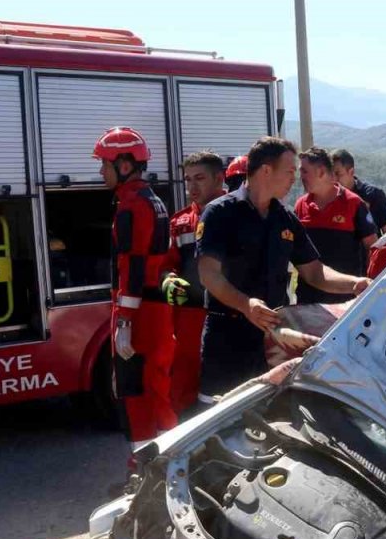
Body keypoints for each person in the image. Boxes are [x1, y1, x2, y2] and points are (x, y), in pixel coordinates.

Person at [196, 136, 371, 398]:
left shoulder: (285, 218)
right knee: (219, 417)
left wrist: (355, 283)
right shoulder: (220, 213)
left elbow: (314, 272)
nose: (294, 179)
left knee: (267, 419)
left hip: (272, 339)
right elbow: (209, 274)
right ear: (266, 170)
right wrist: (246, 305)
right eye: (290, 171)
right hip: (227, 336)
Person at [93, 127, 176, 469]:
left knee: (133, 389)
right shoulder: (153, 200)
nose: (101, 172)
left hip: (138, 311)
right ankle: (169, 456)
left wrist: (124, 320)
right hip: (153, 308)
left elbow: (132, 264)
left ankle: (145, 464)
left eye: (105, 164)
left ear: (124, 165)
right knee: (155, 384)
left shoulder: (131, 205)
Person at [160, 151, 225, 415]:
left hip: (227, 316)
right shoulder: (180, 223)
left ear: (219, 179)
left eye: (199, 178)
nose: (191, 187)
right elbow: (164, 268)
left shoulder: (239, 217)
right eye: (187, 180)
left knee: (227, 391)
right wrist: (169, 282)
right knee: (182, 394)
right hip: (188, 321)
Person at [293, 147, 377, 304]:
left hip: (347, 301)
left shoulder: (354, 204)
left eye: (304, 171)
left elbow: (373, 249)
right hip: (308, 300)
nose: (300, 177)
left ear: (321, 172)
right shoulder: (301, 205)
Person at [331, 148, 386, 234]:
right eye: (330, 174)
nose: (334, 179)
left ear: (351, 172)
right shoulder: (327, 198)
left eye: (338, 174)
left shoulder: (373, 195)